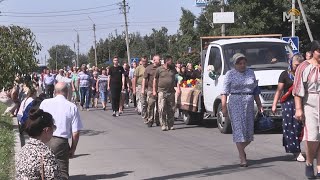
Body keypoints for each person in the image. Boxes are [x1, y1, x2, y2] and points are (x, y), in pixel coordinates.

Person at [221, 53, 263, 167]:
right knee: (239, 130)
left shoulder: (250, 72)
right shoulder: (230, 74)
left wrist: (259, 105)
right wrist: (224, 107)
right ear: (235, 64)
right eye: (240, 63)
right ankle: (242, 157)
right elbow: (224, 92)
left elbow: (255, 90)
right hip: (235, 102)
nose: (242, 65)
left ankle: (241, 149)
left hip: (249, 103)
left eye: (244, 63)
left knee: (249, 133)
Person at [40, 82, 83, 180]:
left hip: (44, 139)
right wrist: (73, 148)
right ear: (67, 92)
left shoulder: (45, 103)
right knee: (62, 172)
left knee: (44, 170)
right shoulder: (71, 107)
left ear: (54, 92)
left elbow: (39, 122)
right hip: (60, 142)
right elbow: (75, 132)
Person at [293, 40, 320, 179]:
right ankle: (309, 162)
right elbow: (297, 91)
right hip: (310, 103)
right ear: (313, 51)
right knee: (312, 137)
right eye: (319, 51)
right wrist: (299, 109)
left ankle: (319, 167)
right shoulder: (304, 67)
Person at [272, 54, 305, 161]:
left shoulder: (304, 74)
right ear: (291, 63)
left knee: (300, 127)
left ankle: (299, 147)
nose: (298, 67)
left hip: (302, 102)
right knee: (291, 127)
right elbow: (279, 90)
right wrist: (274, 104)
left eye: (300, 65)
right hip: (288, 104)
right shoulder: (285, 75)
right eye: (296, 65)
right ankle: (296, 151)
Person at [15, 108, 61, 179]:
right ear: (46, 130)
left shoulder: (22, 150)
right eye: (53, 128)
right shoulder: (45, 154)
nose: (53, 131)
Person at [153, 55, 181, 131]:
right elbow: (155, 80)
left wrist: (178, 87)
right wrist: (154, 90)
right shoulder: (159, 69)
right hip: (161, 91)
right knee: (162, 108)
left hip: (171, 92)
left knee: (171, 109)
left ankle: (170, 124)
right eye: (170, 60)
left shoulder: (173, 69)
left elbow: (177, 78)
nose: (171, 62)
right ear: (166, 61)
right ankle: (163, 125)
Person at [142, 55, 161, 127]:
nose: (159, 60)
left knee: (159, 106)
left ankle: (158, 120)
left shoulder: (161, 68)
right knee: (151, 105)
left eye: (160, 59)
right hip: (150, 89)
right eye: (158, 59)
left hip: (159, 89)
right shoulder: (148, 68)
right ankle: (150, 120)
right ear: (154, 60)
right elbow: (144, 79)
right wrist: (143, 90)